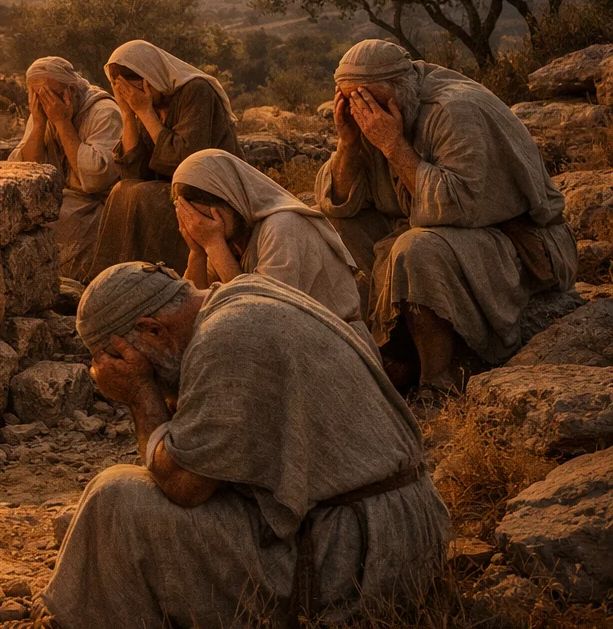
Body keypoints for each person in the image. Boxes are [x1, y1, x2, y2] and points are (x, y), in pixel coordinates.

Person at [42, 263, 448, 629]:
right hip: (387, 530)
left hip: (359, 559)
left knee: (115, 499)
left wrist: (140, 394)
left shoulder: (227, 338)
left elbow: (183, 486)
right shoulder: (241, 296)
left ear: (152, 330)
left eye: (115, 358)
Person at [315, 39, 578, 396]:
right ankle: (399, 347)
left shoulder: (455, 111)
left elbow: (459, 206)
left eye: (369, 101)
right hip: (442, 232)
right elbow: (338, 202)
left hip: (517, 242)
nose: (363, 113)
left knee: (415, 249)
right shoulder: (376, 115)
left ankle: (437, 380)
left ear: (401, 89)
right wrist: (347, 142)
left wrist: (393, 146)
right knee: (331, 223)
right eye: (351, 102)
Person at [171, 148, 372, 343]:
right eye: (193, 220)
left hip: (336, 342)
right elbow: (191, 315)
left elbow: (263, 314)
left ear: (231, 198)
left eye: (207, 216)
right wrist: (197, 251)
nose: (201, 226)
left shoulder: (284, 226)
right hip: (293, 338)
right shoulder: (230, 238)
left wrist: (214, 245)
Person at [92, 39, 241, 272]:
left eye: (133, 88)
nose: (131, 95)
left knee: (143, 196)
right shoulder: (147, 103)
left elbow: (186, 162)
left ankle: (151, 279)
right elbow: (131, 172)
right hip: (172, 189)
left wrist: (144, 111)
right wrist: (128, 113)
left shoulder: (196, 91)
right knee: (122, 191)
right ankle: (116, 277)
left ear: (149, 78)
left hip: (212, 194)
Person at [10, 56, 123, 282]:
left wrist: (62, 123)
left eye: (50, 94)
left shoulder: (103, 112)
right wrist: (40, 124)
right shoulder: (44, 112)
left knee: (50, 225)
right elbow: (24, 169)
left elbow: (96, 179)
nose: (45, 101)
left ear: (70, 90)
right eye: (37, 96)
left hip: (97, 203)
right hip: (64, 197)